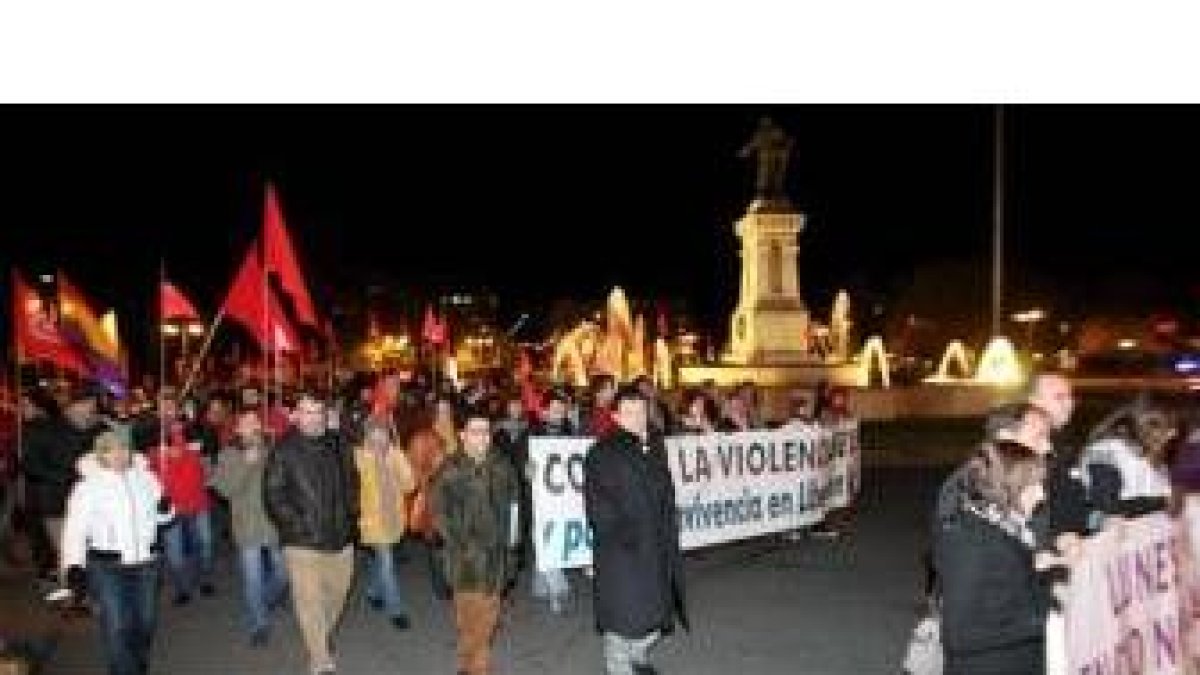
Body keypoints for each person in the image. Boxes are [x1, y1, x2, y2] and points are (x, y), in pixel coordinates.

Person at [584, 386, 687, 675]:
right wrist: (625, 541)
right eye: (628, 412)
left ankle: (637, 656)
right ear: (616, 416)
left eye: (640, 411)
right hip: (624, 552)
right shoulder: (603, 453)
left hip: (656, 545)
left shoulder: (655, 444)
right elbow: (598, 508)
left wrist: (668, 524)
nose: (636, 418)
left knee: (656, 614)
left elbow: (664, 489)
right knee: (622, 620)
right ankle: (620, 667)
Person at [60, 431, 172, 675]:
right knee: (117, 626)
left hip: (147, 563)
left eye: (123, 448)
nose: (119, 454)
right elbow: (75, 530)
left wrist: (166, 508)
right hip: (108, 567)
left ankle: (137, 662)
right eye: (111, 449)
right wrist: (73, 566)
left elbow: (160, 517)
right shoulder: (87, 487)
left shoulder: (147, 478)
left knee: (145, 623)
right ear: (101, 454)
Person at [264, 392, 359, 675]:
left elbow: (352, 481)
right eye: (306, 411)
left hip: (340, 535)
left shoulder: (338, 442)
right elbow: (273, 494)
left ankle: (320, 635)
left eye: (317, 411)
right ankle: (319, 658)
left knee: (338, 595)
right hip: (302, 540)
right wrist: (297, 526)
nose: (313, 417)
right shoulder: (283, 449)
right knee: (309, 600)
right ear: (295, 415)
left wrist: (352, 515)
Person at [934, 439, 1048, 674]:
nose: (1041, 495)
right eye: (1034, 485)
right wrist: (1043, 621)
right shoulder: (973, 543)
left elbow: (1001, 590)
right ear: (1009, 487)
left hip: (1011, 657)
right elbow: (958, 634)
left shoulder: (1005, 526)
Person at [431, 406, 520, 675]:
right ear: (462, 435)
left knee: (489, 614)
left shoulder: (502, 466)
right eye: (475, 432)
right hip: (464, 557)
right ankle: (469, 662)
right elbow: (439, 513)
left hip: (496, 555)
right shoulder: (449, 470)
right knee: (467, 614)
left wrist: (514, 546)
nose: (482, 438)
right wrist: (461, 543)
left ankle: (476, 667)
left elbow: (515, 507)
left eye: (486, 432)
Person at [210, 410, 288, 646]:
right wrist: (246, 463)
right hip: (248, 525)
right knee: (252, 578)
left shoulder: (273, 450)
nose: (253, 426)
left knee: (284, 573)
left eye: (256, 421)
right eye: (247, 422)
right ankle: (258, 623)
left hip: (274, 523)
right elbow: (224, 489)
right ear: (238, 429)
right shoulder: (229, 455)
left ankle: (265, 600)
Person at [353, 419, 416, 630]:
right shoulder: (359, 457)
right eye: (375, 435)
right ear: (367, 436)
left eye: (383, 435)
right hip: (371, 521)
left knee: (381, 561)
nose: (379, 440)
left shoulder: (396, 455)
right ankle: (396, 610)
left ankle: (372, 590)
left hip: (393, 519)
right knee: (387, 562)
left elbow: (410, 486)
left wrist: (396, 464)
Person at [148, 420, 215, 605]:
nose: (175, 447)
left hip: (198, 505)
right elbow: (148, 483)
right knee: (175, 552)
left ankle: (205, 579)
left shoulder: (195, 452)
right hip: (172, 510)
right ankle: (182, 588)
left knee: (204, 544)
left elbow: (207, 474)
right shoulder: (155, 457)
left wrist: (205, 465)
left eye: (180, 437)